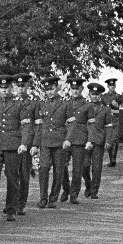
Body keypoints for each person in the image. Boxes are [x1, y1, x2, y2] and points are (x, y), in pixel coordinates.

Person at [0, 74, 29, 222]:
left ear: (12, 88)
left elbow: (25, 126)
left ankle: (11, 209)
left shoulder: (19, 105)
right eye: (2, 88)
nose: (4, 91)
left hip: (13, 145)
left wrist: (24, 143)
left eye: (7, 88)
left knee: (12, 178)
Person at [35, 75, 69, 208]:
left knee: (58, 170)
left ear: (58, 88)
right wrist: (35, 144)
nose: (50, 92)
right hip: (45, 141)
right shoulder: (41, 104)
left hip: (60, 141)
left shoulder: (65, 104)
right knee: (43, 168)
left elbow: (71, 124)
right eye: (47, 89)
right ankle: (43, 198)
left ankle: (53, 198)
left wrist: (68, 139)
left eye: (52, 88)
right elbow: (38, 126)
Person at [83, 82, 116, 198]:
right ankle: (88, 184)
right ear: (89, 94)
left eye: (97, 94)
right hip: (86, 141)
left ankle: (94, 191)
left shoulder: (106, 110)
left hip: (99, 141)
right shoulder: (85, 107)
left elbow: (109, 126)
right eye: (93, 94)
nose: (95, 96)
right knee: (85, 165)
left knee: (97, 168)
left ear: (100, 95)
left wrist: (108, 140)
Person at [62, 77, 91, 204]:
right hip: (66, 139)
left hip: (79, 139)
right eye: (73, 89)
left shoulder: (87, 105)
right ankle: (66, 188)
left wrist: (90, 140)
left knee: (77, 169)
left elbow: (91, 125)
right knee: (61, 165)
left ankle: (74, 193)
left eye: (77, 89)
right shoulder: (65, 103)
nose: (75, 91)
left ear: (82, 89)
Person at [12, 74, 37, 215]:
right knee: (11, 174)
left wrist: (34, 144)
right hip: (12, 142)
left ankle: (21, 204)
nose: (20, 89)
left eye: (23, 86)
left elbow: (36, 126)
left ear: (27, 86)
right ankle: (13, 202)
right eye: (18, 86)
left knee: (24, 174)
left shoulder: (33, 103)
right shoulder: (12, 102)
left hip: (26, 143)